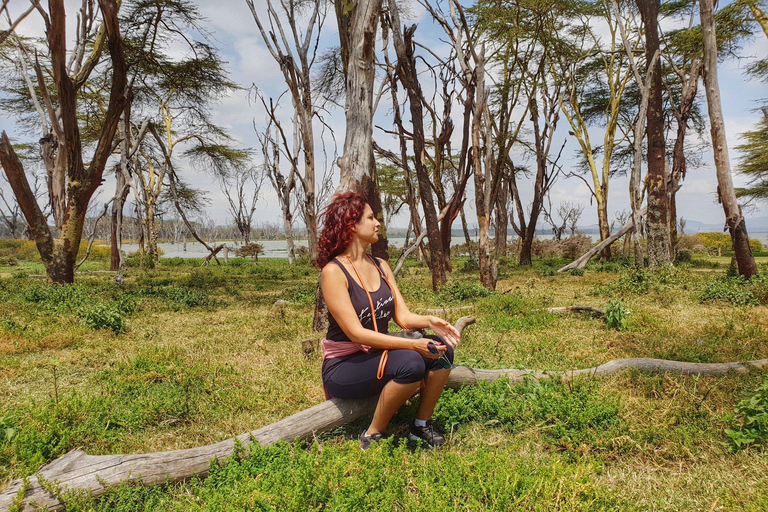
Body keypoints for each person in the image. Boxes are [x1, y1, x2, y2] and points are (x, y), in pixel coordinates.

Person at [315, 192, 461, 450]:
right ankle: (372, 434)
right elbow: (357, 334)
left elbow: (403, 317)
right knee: (412, 361)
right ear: (351, 224)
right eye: (371, 218)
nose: (378, 223)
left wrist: (429, 320)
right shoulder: (333, 272)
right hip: (345, 365)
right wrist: (410, 346)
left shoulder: (381, 265)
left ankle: (420, 425)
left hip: (379, 354)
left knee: (443, 351)